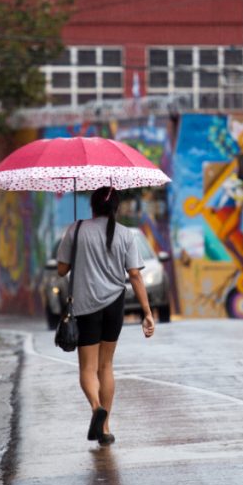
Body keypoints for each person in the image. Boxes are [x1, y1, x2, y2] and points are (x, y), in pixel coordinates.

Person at [56, 186, 156, 446]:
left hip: (86, 306)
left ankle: (96, 407)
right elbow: (135, 275)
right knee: (106, 366)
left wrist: (76, 246)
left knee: (87, 369)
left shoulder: (76, 229)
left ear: (92, 206)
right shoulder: (125, 234)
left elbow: (61, 270)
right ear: (117, 208)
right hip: (115, 305)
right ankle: (106, 427)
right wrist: (147, 313)